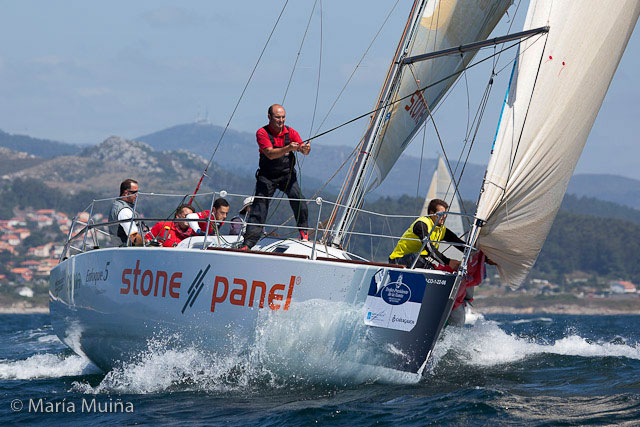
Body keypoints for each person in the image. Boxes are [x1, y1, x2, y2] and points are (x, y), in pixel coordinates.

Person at [243, 104, 310, 249]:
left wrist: (305, 149)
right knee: (259, 206)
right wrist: (288, 148)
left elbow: (302, 149)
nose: (281, 120)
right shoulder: (262, 133)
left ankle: (304, 231)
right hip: (267, 176)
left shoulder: (290, 132)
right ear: (269, 117)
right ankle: (248, 242)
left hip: (287, 175)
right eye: (278, 117)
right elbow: (270, 154)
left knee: (297, 197)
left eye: (283, 117)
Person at [388, 198, 465, 270]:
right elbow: (429, 248)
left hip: (418, 261)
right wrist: (448, 262)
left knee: (423, 262)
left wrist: (473, 251)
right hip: (398, 260)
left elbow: (457, 242)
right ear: (431, 213)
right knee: (416, 258)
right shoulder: (421, 224)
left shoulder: (441, 229)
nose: (444, 217)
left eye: (445, 214)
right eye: (441, 214)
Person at [108, 178, 143, 246]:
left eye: (137, 193)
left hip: (121, 250)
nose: (136, 196)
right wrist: (148, 243)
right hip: (127, 251)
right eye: (134, 193)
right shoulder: (124, 211)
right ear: (126, 193)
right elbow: (134, 238)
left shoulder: (117, 205)